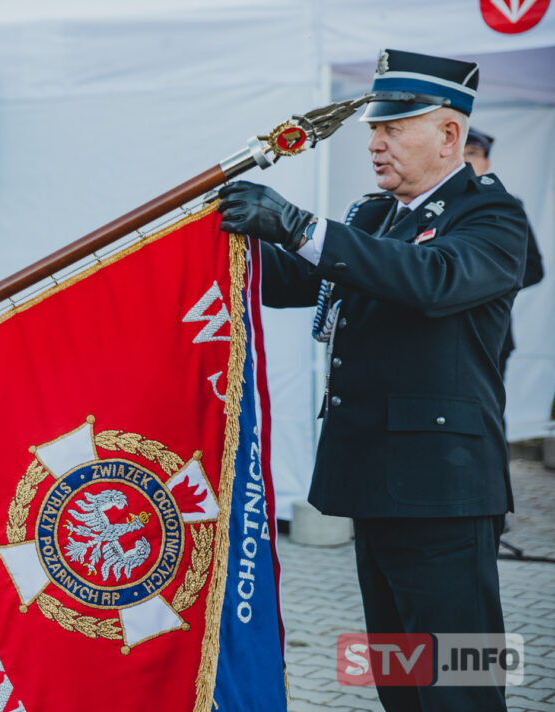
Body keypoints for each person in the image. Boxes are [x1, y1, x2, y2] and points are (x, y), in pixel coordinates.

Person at [216, 49, 527, 711]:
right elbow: (296, 277)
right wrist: (224, 240)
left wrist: (297, 224)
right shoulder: (379, 216)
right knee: (402, 681)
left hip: (446, 493)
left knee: (461, 686)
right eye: (373, 127)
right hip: (379, 482)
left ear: (449, 135)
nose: (375, 141)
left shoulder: (494, 219)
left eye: (394, 126)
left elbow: (429, 280)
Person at [463, 127, 544, 376]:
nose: (466, 160)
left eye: (473, 153)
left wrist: (485, 283)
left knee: (490, 412)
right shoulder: (430, 204)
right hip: (436, 335)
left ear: (486, 162)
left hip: (490, 332)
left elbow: (533, 268)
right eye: (461, 153)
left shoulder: (507, 208)